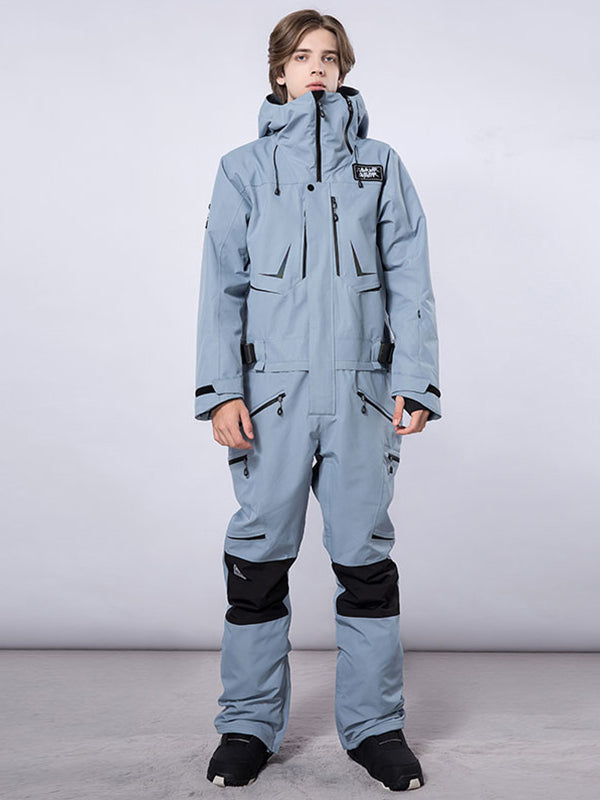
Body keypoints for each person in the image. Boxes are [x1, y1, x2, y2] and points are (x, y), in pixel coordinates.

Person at [194, 9, 442, 791]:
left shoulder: (380, 165)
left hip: (362, 397)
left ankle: (375, 729)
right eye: (302, 57)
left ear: (343, 70)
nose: (317, 69)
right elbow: (221, 289)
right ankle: (246, 727)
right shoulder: (242, 169)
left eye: (329, 57)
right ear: (279, 71)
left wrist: (416, 380)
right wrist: (220, 393)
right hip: (270, 401)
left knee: (366, 563)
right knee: (257, 565)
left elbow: (410, 280)